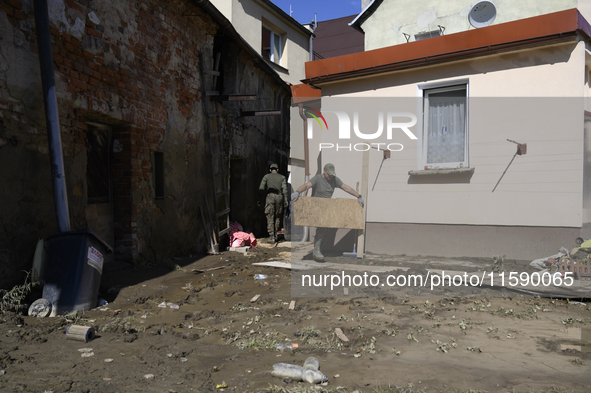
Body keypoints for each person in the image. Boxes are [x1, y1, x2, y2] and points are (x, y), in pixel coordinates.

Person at [291, 163, 364, 261]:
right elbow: (307, 185)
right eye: (328, 174)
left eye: (332, 174)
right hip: (316, 208)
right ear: (324, 171)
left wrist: (358, 196)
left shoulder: (334, 179)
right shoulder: (317, 178)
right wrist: (297, 191)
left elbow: (345, 187)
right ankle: (317, 251)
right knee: (322, 228)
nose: (330, 176)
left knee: (326, 229)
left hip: (327, 209)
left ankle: (319, 249)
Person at [258, 163, 289, 243]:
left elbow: (261, 188)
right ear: (277, 169)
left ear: (270, 170)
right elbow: (284, 190)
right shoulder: (282, 177)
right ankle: (275, 233)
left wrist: (259, 199)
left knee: (270, 216)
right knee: (277, 216)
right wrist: (286, 201)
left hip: (270, 197)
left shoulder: (266, 176)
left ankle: (271, 236)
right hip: (279, 197)